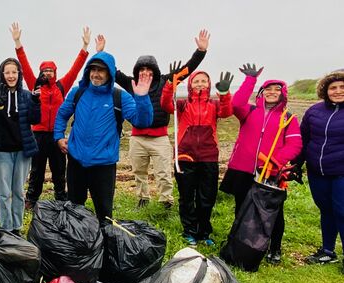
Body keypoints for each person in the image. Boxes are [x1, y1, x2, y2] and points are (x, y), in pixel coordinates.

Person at [10, 23, 105, 209]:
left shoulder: (62, 86)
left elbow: (76, 69)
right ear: (40, 72)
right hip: (37, 135)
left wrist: (85, 48)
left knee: (59, 169)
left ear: (55, 72)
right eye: (44, 71)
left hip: (56, 135)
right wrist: (17, 42)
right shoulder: (34, 84)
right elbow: (24, 64)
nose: (47, 73)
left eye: (50, 70)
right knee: (36, 170)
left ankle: (61, 197)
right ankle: (31, 200)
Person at [114, 30, 210, 209]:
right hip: (137, 138)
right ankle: (143, 198)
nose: (144, 72)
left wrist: (201, 51)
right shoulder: (131, 83)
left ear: (155, 70)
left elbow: (188, 69)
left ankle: (166, 201)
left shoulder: (167, 80)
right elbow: (113, 72)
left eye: (148, 68)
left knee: (164, 172)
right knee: (139, 171)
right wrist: (99, 53)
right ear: (136, 71)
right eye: (141, 69)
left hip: (160, 138)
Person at [54, 51, 153, 221]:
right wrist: (58, 136)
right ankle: (76, 244)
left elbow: (142, 121)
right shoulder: (78, 92)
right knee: (74, 209)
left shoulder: (119, 97)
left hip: (103, 164)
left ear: (110, 73)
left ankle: (106, 243)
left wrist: (143, 98)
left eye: (101, 70)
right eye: (93, 69)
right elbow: (62, 114)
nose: (96, 74)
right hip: (76, 161)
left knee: (104, 213)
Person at [220, 64, 302, 264]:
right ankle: (241, 241)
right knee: (242, 208)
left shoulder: (288, 118)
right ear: (262, 93)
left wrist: (275, 161)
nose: (272, 93)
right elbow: (236, 103)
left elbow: (295, 144)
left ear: (283, 94)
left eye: (277, 90)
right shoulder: (249, 111)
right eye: (268, 90)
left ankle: (274, 248)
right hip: (242, 169)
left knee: (273, 213)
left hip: (270, 172)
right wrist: (250, 80)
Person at [161, 70, 234, 246]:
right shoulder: (182, 104)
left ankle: (204, 232)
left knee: (207, 197)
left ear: (209, 85)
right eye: (196, 81)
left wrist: (224, 94)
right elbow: (165, 105)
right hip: (185, 156)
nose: (200, 84)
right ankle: (189, 231)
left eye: (204, 81)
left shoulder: (214, 105)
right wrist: (170, 84)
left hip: (209, 156)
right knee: (187, 197)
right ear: (190, 84)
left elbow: (226, 112)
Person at [300, 70, 344, 271]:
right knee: (326, 210)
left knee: (341, 211)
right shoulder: (314, 111)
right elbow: (304, 140)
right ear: (325, 90)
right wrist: (296, 164)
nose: (337, 91)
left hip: (341, 172)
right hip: (317, 171)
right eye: (333, 87)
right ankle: (327, 252)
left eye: (342, 87)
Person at [0, 57, 40, 235]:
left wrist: (36, 102)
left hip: (23, 150)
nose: (11, 76)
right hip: (2, 150)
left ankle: (17, 228)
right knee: (4, 193)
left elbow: (35, 119)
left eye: (14, 72)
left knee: (18, 191)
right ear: (2, 74)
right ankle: (6, 227)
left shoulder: (27, 95)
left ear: (19, 74)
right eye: (7, 72)